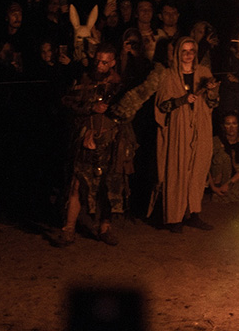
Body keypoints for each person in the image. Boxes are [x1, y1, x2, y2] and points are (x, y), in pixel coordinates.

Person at [55, 45, 164, 247]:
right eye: (97, 60)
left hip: (112, 142)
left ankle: (105, 228)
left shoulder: (120, 85)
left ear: (113, 62)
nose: (100, 65)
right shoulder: (83, 79)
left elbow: (130, 108)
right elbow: (67, 101)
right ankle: (68, 229)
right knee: (77, 184)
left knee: (110, 185)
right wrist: (90, 107)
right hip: (86, 140)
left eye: (105, 62)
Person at [152, 36, 219, 233]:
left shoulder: (204, 73)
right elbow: (162, 105)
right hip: (178, 128)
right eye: (184, 51)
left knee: (198, 167)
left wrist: (212, 91)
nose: (188, 55)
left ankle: (193, 213)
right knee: (177, 168)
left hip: (201, 125)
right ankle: (174, 217)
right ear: (177, 53)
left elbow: (213, 103)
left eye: (192, 51)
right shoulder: (168, 76)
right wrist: (182, 100)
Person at [209, 112, 239, 203]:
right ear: (223, 126)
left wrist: (229, 184)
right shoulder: (215, 142)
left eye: (234, 124)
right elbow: (206, 165)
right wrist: (213, 187)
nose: (231, 127)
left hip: (236, 180)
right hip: (219, 181)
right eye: (228, 124)